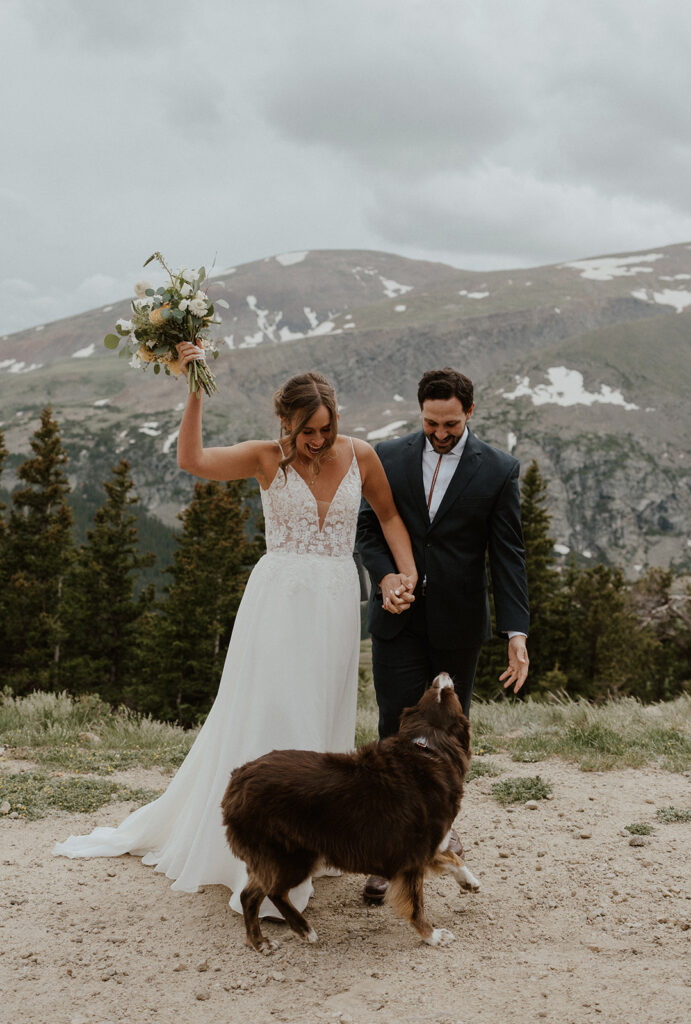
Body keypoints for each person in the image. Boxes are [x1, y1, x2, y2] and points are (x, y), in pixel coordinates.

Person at [54, 360, 416, 920]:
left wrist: (405, 573)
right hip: (277, 604)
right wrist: (195, 390)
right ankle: (265, 852)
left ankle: (311, 838)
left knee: (320, 714)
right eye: (306, 431)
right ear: (285, 423)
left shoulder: (359, 455)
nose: (317, 441)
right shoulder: (264, 458)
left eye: (325, 428)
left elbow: (389, 517)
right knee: (274, 711)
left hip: (337, 602)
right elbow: (190, 460)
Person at [356, 366, 530, 902]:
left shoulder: (498, 470)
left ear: (469, 413)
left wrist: (516, 632)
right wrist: (385, 576)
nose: (440, 433)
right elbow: (367, 528)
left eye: (450, 423)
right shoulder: (389, 455)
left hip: (458, 626)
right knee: (394, 730)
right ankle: (390, 852)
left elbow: (508, 554)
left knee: (447, 739)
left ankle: (439, 832)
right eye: (431, 422)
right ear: (420, 412)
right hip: (398, 619)